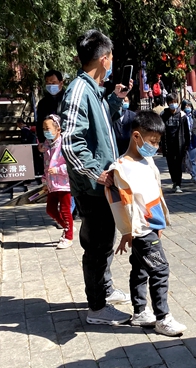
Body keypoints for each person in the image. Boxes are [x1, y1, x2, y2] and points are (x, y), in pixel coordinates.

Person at [60, 29, 133, 325]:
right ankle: (97, 308)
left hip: (102, 184)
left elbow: (100, 125)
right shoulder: (79, 90)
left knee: (104, 241)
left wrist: (115, 100)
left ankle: (104, 289)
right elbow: (70, 142)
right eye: (111, 57)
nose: (112, 62)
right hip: (93, 187)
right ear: (104, 59)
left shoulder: (94, 89)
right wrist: (96, 172)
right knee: (97, 246)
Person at [105, 111, 187, 336]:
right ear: (136, 136)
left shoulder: (148, 161)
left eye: (158, 142)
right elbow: (118, 204)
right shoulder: (120, 168)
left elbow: (155, 192)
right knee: (160, 269)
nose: (155, 146)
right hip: (141, 230)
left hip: (152, 226)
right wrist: (127, 231)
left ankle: (140, 311)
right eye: (153, 141)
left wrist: (160, 224)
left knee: (140, 268)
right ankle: (163, 318)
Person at [38, 114, 73, 249]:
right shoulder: (47, 145)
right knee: (50, 209)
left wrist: (58, 170)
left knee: (65, 210)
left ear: (58, 129)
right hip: (52, 184)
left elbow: (72, 164)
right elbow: (46, 165)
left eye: (47, 128)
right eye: (43, 129)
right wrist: (45, 180)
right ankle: (67, 227)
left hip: (64, 183)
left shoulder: (65, 143)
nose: (45, 131)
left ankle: (68, 237)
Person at [35, 70, 66, 176]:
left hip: (65, 142)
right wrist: (41, 141)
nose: (50, 85)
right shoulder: (43, 103)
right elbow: (39, 123)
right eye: (48, 83)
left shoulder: (68, 99)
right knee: (50, 170)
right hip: (49, 144)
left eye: (53, 82)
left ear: (61, 83)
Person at [160, 93, 190, 193]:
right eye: (171, 102)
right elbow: (160, 130)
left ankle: (178, 184)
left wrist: (187, 144)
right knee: (171, 165)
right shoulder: (163, 115)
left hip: (179, 144)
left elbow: (186, 131)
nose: (173, 104)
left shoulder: (182, 115)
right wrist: (160, 144)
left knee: (178, 164)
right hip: (168, 144)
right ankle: (174, 181)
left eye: (175, 102)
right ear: (168, 103)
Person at [181, 99, 196, 184]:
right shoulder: (181, 116)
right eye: (186, 106)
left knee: (193, 160)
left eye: (189, 106)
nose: (188, 108)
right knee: (184, 159)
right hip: (183, 140)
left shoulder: (193, 117)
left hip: (192, 140)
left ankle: (194, 176)